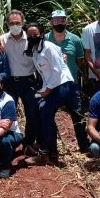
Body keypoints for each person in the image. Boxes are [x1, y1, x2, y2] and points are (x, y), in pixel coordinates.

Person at [24, 23, 88, 166]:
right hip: (53, 85)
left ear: (42, 34)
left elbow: (57, 70)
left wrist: (48, 90)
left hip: (63, 85)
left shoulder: (49, 48)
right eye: (30, 35)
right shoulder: (35, 50)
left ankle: (47, 152)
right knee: (44, 112)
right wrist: (44, 89)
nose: (33, 37)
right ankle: (51, 151)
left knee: (47, 112)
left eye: (36, 34)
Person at [44, 10, 90, 152]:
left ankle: (84, 147)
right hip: (52, 85)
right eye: (56, 20)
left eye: (62, 20)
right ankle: (51, 150)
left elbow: (80, 62)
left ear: (66, 21)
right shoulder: (45, 39)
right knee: (48, 116)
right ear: (51, 22)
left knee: (78, 117)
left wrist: (83, 81)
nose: (59, 23)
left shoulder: (75, 40)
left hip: (71, 85)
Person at [1, 10, 39, 154]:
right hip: (10, 82)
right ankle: (8, 142)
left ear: (22, 23)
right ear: (7, 24)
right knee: (8, 113)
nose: (15, 26)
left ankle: (28, 143)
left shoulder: (31, 39)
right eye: (11, 23)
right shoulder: (3, 39)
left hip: (28, 81)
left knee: (32, 114)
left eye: (17, 23)